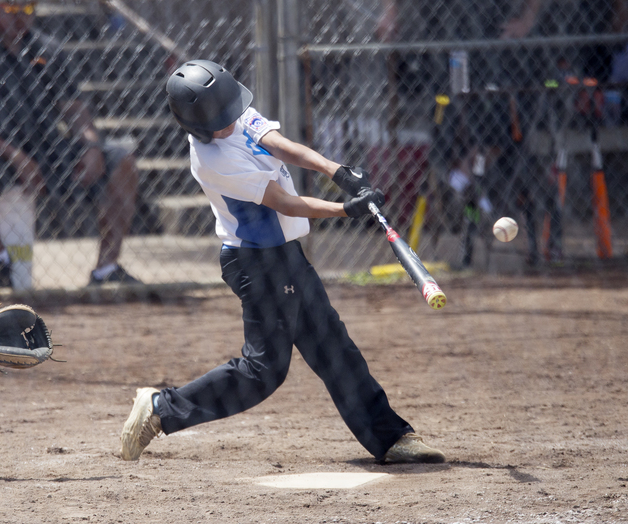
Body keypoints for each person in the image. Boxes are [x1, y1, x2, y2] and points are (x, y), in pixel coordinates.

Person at [120, 59, 446, 465]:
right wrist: (346, 209)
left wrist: (337, 170)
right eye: (221, 120)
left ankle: (391, 438)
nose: (231, 121)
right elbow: (284, 202)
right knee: (263, 372)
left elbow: (276, 142)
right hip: (256, 264)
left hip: (284, 257)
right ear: (198, 126)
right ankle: (160, 408)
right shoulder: (212, 160)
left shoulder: (233, 113)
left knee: (333, 347)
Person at [0, 1, 140, 286]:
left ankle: (105, 270)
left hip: (48, 149)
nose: (21, 17)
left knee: (122, 161)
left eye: (28, 9)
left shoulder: (45, 51)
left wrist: (92, 146)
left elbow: (75, 111)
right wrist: (17, 157)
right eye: (11, 10)